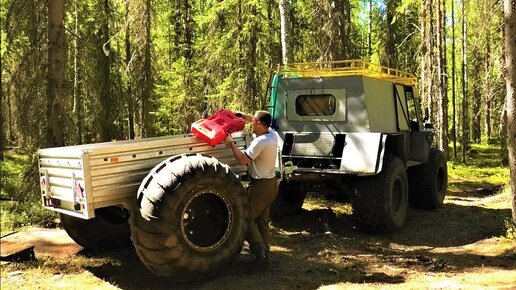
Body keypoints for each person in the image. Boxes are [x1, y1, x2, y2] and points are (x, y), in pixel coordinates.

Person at [225, 110, 279, 271]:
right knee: (262, 220)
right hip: (271, 185)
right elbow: (258, 120)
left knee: (246, 219)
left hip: (261, 187)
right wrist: (244, 116)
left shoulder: (260, 142)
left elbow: (242, 160)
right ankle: (265, 254)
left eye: (253, 122)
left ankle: (260, 256)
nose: (251, 124)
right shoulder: (272, 134)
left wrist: (230, 143)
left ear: (261, 125)